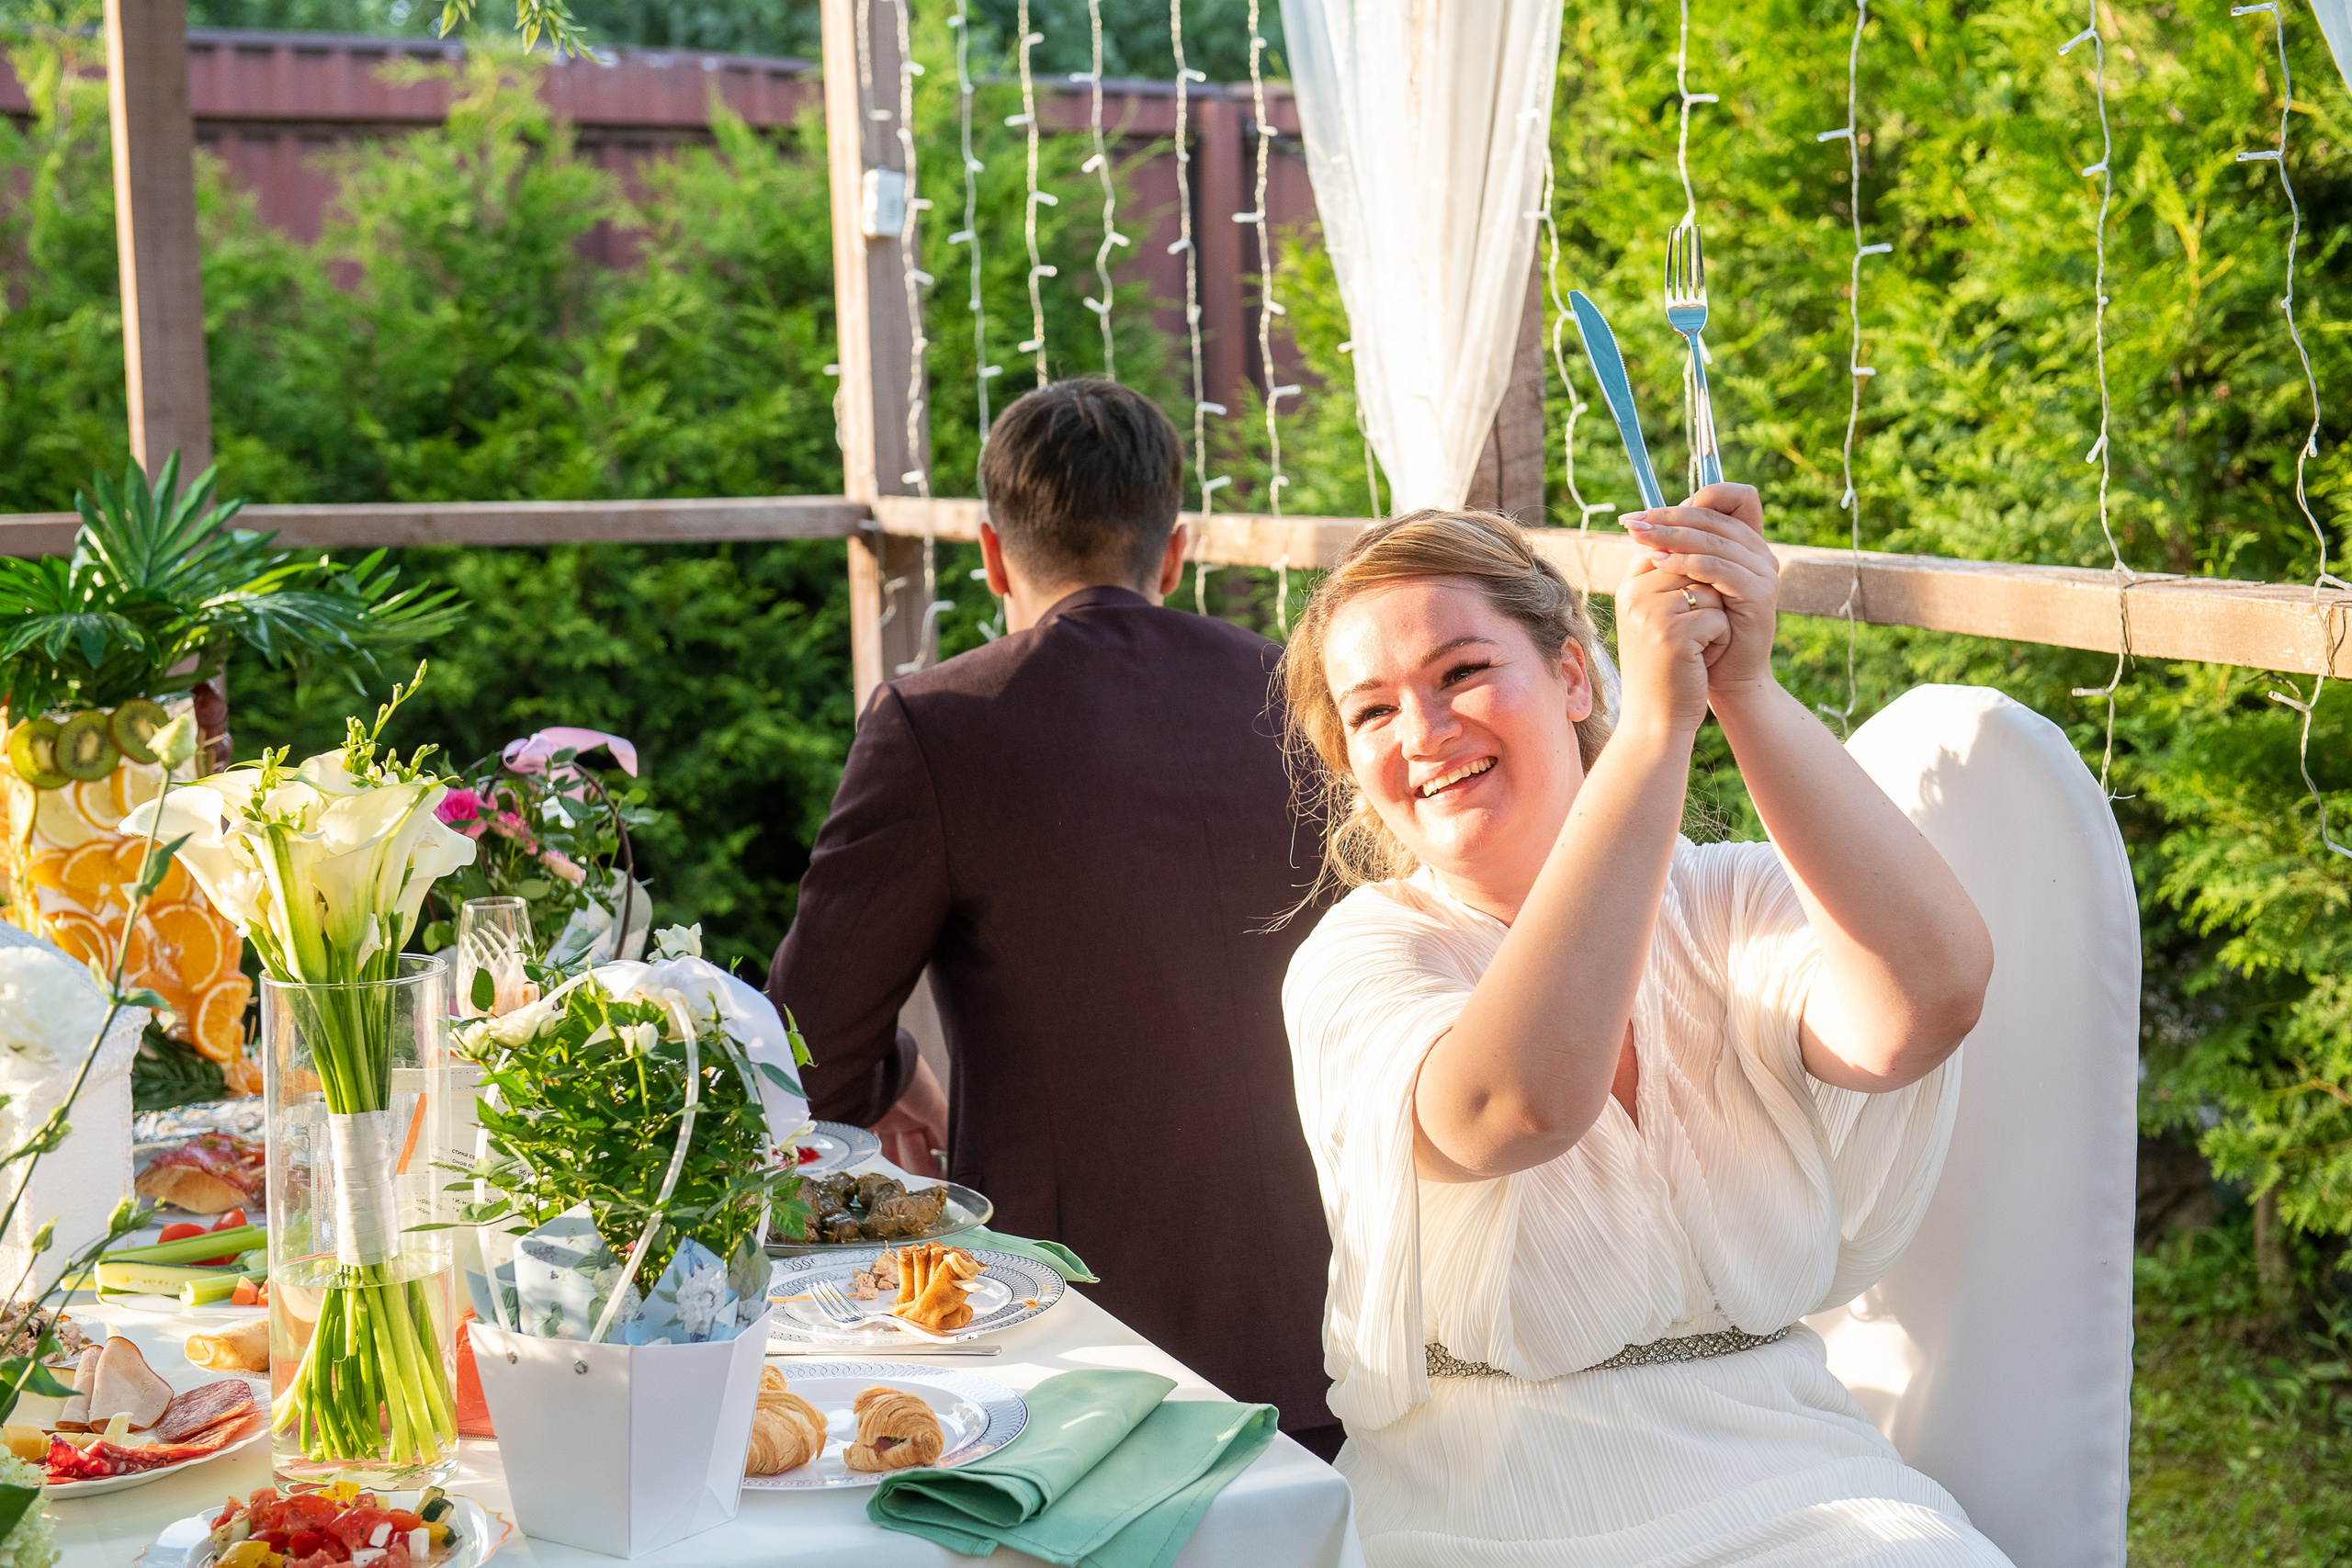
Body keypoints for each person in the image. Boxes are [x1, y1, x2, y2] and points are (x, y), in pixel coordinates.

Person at [1279, 492, 2015, 1563]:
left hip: (1805, 1478)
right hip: (1486, 1501)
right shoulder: (1361, 961)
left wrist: (1742, 688)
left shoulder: (1726, 904)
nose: (1425, 733)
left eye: (1461, 673)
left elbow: (1929, 1000)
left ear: (1574, 674)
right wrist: (1653, 733)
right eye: (1374, 711)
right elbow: (1514, 1106)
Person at [769, 378, 1340, 1452]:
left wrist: (899, 1075)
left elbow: (807, 1049)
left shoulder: (937, 722)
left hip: (1075, 1348)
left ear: (990, 557)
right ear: (1172, 556)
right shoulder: (1302, 695)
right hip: (1344, 1313)